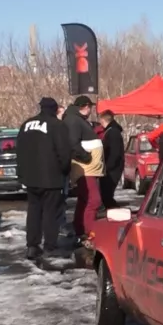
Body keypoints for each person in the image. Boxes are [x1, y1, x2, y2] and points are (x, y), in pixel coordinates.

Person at [16, 98, 75, 261]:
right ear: (55, 109)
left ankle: (32, 246)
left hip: (31, 177)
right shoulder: (57, 125)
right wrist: (65, 171)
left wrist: (22, 173)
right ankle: (50, 246)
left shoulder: (26, 125)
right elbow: (64, 152)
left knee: (34, 211)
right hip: (51, 177)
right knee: (51, 212)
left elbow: (19, 151)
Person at [63, 95, 104, 245]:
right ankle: (89, 233)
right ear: (85, 106)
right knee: (94, 200)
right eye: (90, 107)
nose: (91, 110)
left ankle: (80, 229)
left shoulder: (76, 119)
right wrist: (86, 157)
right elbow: (73, 143)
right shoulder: (73, 120)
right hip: (85, 168)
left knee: (84, 199)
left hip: (88, 168)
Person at [99, 110, 125, 209]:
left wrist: (108, 167)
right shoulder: (111, 131)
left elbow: (115, 152)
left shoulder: (113, 132)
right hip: (111, 167)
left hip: (112, 169)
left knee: (107, 195)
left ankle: (116, 211)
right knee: (106, 195)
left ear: (103, 120)